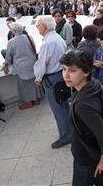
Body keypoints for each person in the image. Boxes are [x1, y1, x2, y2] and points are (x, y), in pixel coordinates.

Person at [61, 49, 103, 186]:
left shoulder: (82, 105)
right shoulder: (93, 84)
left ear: (86, 72)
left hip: (86, 158)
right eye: (64, 69)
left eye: (72, 70)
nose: (66, 75)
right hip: (92, 153)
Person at [33, 16, 71, 148]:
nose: (37, 27)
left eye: (38, 25)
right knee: (64, 106)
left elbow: (42, 64)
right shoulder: (57, 38)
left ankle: (66, 136)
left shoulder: (47, 43)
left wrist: (38, 78)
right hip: (60, 75)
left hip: (52, 78)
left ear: (44, 27)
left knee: (58, 109)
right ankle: (70, 132)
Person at [1, 22, 44, 110]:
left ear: (14, 30)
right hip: (32, 63)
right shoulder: (29, 37)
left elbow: (8, 56)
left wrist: (5, 64)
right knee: (33, 83)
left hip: (21, 66)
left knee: (23, 85)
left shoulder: (11, 41)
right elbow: (34, 49)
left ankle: (28, 102)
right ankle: (36, 100)